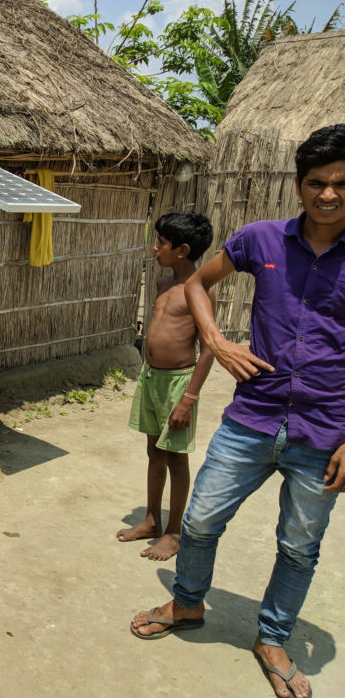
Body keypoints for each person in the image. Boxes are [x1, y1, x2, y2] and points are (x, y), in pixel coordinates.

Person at [131, 123, 345, 698]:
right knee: (199, 521)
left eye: (342, 184)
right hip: (253, 415)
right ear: (299, 186)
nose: (329, 195)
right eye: (317, 182)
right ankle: (188, 602)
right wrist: (217, 341)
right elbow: (200, 282)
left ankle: (272, 638)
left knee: (299, 546)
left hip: (326, 428)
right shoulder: (261, 239)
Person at [118, 212, 216, 560]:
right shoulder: (162, 284)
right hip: (151, 378)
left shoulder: (198, 292)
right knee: (154, 452)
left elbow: (209, 351)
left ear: (183, 250)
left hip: (178, 384)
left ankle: (173, 532)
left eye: (161, 242)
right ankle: (151, 520)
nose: (155, 247)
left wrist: (188, 398)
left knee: (176, 459)